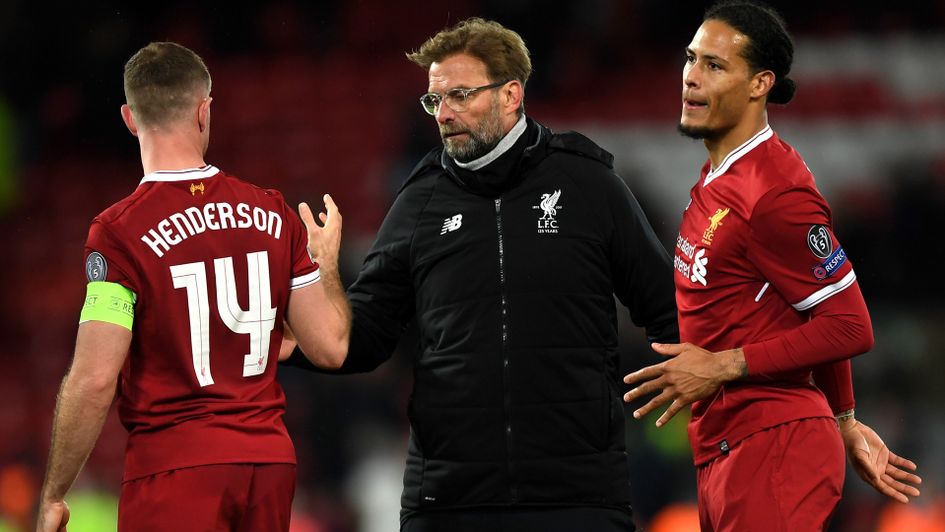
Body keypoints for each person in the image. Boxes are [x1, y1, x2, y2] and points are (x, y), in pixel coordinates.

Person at [288, 17, 677, 532]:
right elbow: (365, 338)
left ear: (511, 94)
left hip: (577, 495)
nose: (443, 114)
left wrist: (713, 375)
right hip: (449, 499)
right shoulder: (418, 202)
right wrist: (299, 325)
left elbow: (667, 307)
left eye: (460, 95)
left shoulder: (587, 184)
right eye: (434, 100)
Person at [622, 2, 922, 530]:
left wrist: (723, 366)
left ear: (760, 83)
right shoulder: (720, 178)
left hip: (774, 446)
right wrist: (844, 416)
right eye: (691, 59)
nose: (691, 76)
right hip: (730, 449)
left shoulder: (773, 193)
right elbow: (811, 301)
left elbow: (849, 324)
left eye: (715, 65)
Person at [36, 42, 350, 532]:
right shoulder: (273, 212)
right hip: (268, 466)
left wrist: (55, 493)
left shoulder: (119, 233)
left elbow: (95, 379)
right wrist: (326, 264)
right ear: (205, 111)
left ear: (130, 119)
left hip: (175, 469)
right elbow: (330, 348)